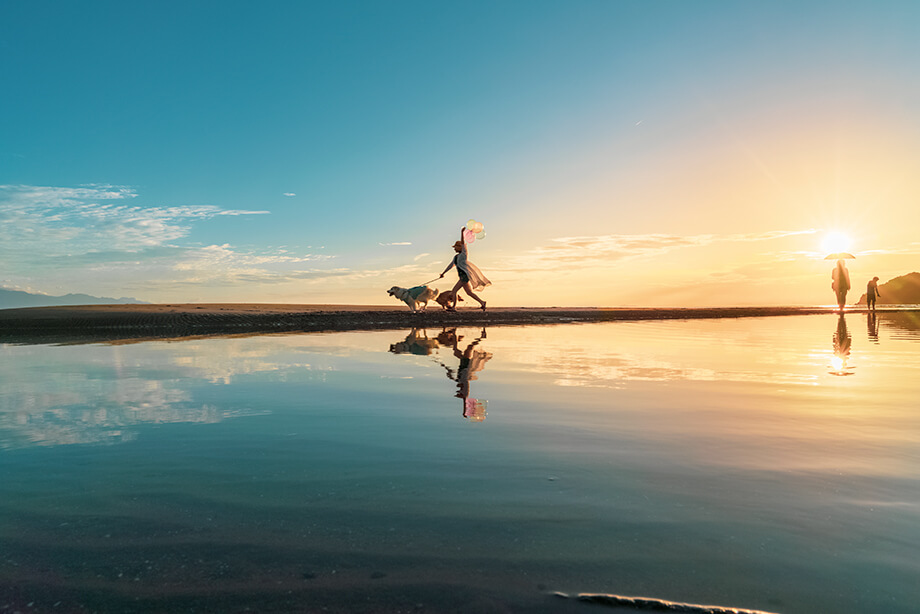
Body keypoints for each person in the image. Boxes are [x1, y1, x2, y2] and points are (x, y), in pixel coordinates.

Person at [439, 226, 490, 311]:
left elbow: (463, 243)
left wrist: (462, 233)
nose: (454, 249)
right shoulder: (456, 257)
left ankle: (453, 307)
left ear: (459, 247)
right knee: (469, 293)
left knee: (454, 291)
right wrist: (443, 273)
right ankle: (482, 302)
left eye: (455, 247)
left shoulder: (464, 254)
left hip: (464, 276)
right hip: (462, 276)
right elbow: (450, 265)